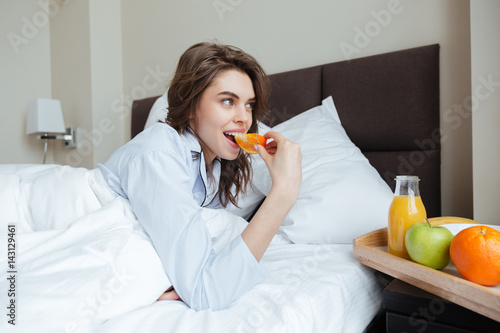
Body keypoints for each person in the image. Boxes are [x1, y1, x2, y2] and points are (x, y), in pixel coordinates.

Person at [98, 42, 302, 311]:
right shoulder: (160, 152)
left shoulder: (213, 169)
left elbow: (202, 258)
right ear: (191, 105)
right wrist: (283, 193)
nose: (244, 118)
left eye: (249, 105)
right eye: (228, 101)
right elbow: (206, 291)